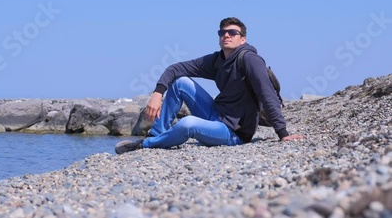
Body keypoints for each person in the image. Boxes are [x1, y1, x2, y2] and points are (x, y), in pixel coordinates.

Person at [115, 17, 304, 154]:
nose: (226, 36)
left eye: (232, 33)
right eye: (222, 33)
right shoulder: (217, 60)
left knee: (187, 123)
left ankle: (146, 146)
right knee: (181, 82)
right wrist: (157, 93)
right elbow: (175, 69)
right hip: (216, 114)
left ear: (243, 39)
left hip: (234, 132)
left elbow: (267, 93)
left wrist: (282, 133)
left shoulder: (250, 60)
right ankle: (155, 135)